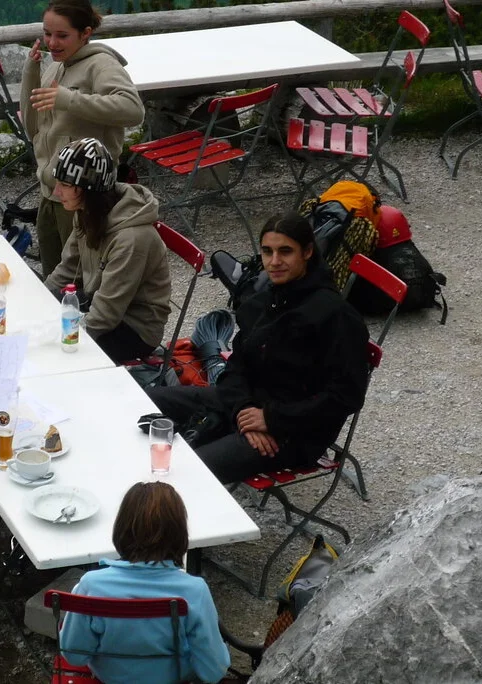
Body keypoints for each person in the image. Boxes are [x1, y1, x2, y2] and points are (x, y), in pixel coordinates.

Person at [147, 214, 371, 484]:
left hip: (294, 433)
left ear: (308, 252)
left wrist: (271, 420)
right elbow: (236, 367)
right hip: (246, 406)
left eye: (285, 251)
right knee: (146, 400)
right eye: (267, 252)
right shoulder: (267, 299)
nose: (274, 262)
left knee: (188, 471)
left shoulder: (336, 316)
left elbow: (345, 396)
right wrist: (246, 411)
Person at [59, 482, 230, 684]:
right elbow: (213, 671)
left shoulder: (92, 585)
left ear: (121, 528)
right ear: (179, 533)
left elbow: (74, 655)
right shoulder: (195, 591)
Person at [22, 0, 145, 277]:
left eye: (62, 36)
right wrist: (31, 72)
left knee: (80, 280)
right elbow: (33, 130)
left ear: (85, 33)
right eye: (47, 34)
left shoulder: (101, 65)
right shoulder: (55, 66)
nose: (52, 42)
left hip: (84, 197)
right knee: (54, 275)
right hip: (51, 193)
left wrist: (71, 99)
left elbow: (133, 109)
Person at [43, 138, 171, 363]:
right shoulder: (86, 211)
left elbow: (105, 316)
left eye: (64, 184)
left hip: (134, 328)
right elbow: (68, 267)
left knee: (56, 355)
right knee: (41, 319)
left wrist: (68, 341)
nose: (56, 191)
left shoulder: (131, 239)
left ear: (86, 189)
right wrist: (42, 297)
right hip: (99, 301)